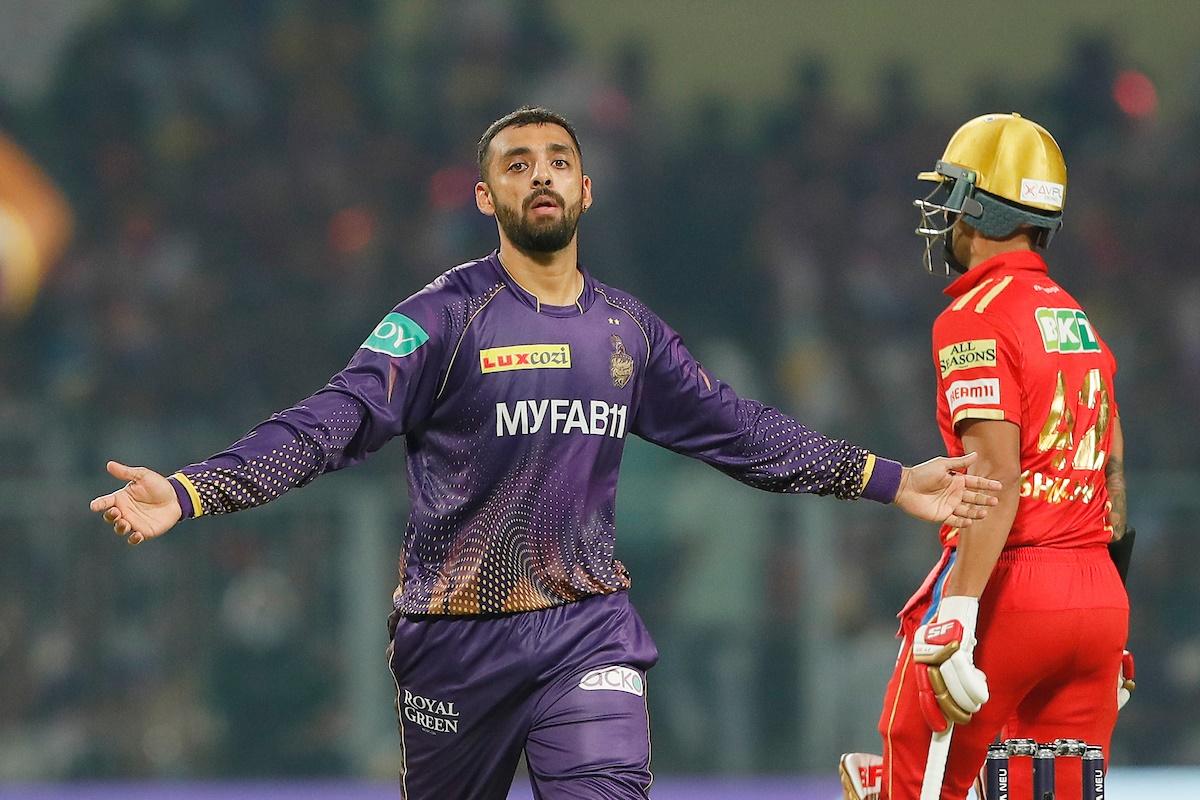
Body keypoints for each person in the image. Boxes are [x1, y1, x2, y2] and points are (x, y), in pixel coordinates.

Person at [91, 106, 1001, 800]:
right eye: (517, 166)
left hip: (584, 628)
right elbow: (332, 420)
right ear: (486, 199)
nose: (542, 177)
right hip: (454, 644)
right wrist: (193, 490)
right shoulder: (440, 320)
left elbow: (741, 430)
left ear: (586, 191)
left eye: (560, 163)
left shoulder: (628, 331)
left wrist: (888, 478)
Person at [872, 113, 1133, 800]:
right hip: (1099, 597)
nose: (944, 214)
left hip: (1013, 587)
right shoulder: (1075, 315)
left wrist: (957, 611)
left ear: (979, 209)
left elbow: (995, 473)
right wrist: (1106, 609)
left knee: (913, 768)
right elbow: (1111, 462)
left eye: (954, 195)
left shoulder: (973, 315)